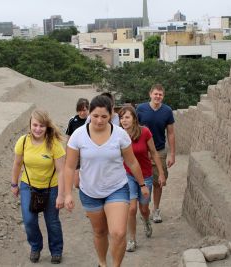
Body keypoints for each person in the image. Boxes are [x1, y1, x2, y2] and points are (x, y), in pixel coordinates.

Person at [64, 95, 149, 267]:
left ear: (111, 115)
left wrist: (142, 185)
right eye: (95, 116)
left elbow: (132, 161)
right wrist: (67, 194)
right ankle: (102, 263)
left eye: (104, 116)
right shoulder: (78, 136)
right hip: (90, 191)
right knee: (100, 231)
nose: (99, 120)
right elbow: (69, 166)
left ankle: (115, 265)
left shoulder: (120, 135)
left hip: (116, 188)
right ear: (89, 114)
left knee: (118, 232)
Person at [11, 110, 65, 264]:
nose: (38, 129)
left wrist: (61, 195)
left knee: (52, 221)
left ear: (47, 127)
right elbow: (17, 164)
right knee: (29, 220)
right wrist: (14, 184)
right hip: (29, 185)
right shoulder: (23, 141)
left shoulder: (54, 144)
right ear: (30, 125)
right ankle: (35, 247)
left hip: (51, 187)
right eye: (35, 125)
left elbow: (61, 171)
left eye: (42, 126)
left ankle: (56, 250)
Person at [119, 106, 166, 252]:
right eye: (121, 118)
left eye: (127, 117)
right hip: (128, 175)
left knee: (144, 208)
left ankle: (146, 220)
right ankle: (132, 239)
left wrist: (161, 173)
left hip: (145, 175)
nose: (124, 120)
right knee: (131, 209)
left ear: (134, 118)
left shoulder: (144, 131)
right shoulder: (118, 134)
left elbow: (154, 152)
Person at [136, 84, 175, 223]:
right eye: (156, 94)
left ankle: (156, 210)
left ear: (163, 96)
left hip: (159, 150)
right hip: (142, 152)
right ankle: (144, 209)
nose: (158, 96)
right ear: (150, 94)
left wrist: (172, 154)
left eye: (160, 94)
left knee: (159, 181)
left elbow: (170, 133)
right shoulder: (140, 109)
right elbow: (135, 129)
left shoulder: (167, 111)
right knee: (145, 182)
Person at [65, 98, 90, 188]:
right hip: (77, 153)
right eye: (80, 110)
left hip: (89, 152)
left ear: (88, 109)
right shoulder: (73, 120)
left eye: (84, 110)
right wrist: (67, 152)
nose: (82, 113)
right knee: (76, 183)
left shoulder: (92, 120)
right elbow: (68, 136)